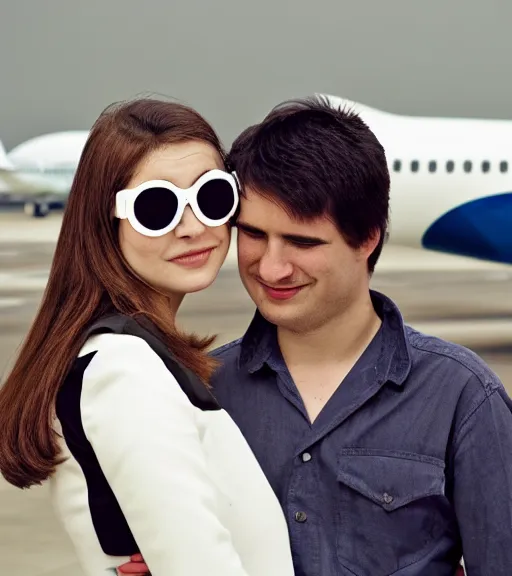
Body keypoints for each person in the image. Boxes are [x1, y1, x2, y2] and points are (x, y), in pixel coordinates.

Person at [119, 95, 512, 576]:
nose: (271, 268)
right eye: (254, 236)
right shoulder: (201, 392)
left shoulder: (462, 397)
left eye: (302, 242)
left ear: (368, 238)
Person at [0, 98, 295, 576]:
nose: (193, 227)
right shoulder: (124, 371)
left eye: (212, 197)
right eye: (156, 207)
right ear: (105, 222)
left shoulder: (135, 357)